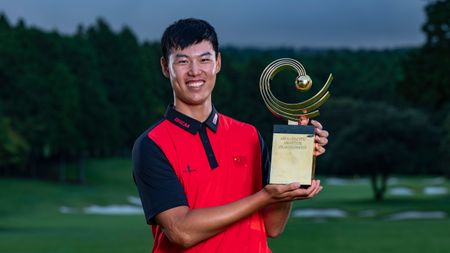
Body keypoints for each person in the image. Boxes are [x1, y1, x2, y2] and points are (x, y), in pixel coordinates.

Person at [132, 18, 329, 253]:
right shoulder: (152, 144)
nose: (195, 71)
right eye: (183, 61)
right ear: (166, 67)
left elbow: (273, 227)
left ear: (218, 62)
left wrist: (297, 162)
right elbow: (180, 232)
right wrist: (264, 197)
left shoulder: (249, 135)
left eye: (204, 59)